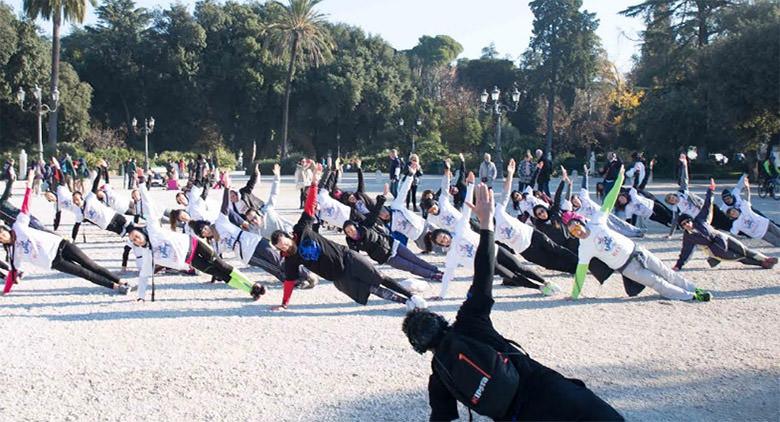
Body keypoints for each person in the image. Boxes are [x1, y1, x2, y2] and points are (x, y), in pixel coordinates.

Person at [401, 183, 623, 421]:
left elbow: (442, 418)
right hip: (546, 390)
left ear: (420, 347)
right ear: (439, 319)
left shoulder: (439, 376)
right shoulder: (469, 322)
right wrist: (486, 227)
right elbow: (484, 274)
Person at [269, 172, 427, 311]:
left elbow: (309, 208)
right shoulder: (290, 259)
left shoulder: (301, 229)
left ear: (289, 236)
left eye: (286, 242)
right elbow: (289, 281)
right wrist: (284, 304)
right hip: (338, 277)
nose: (285, 246)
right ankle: (405, 301)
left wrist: (315, 182)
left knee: (379, 277)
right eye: (281, 246)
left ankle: (411, 296)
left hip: (347, 258)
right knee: (371, 289)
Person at [567, 167, 712, 302]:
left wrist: (619, 180)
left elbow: (609, 202)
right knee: (656, 282)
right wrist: (574, 295)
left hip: (638, 251)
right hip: (627, 267)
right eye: (573, 231)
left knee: (667, 273)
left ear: (581, 223)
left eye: (576, 226)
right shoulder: (583, 248)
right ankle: (691, 296)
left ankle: (694, 288)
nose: (577, 231)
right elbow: (581, 272)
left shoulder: (596, 222)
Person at [125, 184, 266, 301]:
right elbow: (143, 276)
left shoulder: (153, 230)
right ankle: (249, 290)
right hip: (190, 260)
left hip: (194, 244)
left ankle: (253, 285)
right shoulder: (147, 254)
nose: (136, 240)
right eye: (133, 241)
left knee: (222, 266)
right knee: (221, 275)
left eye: (135, 236)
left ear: (141, 233)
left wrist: (142, 184)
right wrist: (141, 297)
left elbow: (148, 207)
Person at [1, 172, 132, 295]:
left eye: (2, 233)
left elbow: (25, 206)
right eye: (0, 238)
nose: (2, 237)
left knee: (91, 265)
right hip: (54, 261)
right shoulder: (13, 252)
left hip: (60, 245)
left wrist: (29, 185)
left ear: (5, 230)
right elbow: (13, 272)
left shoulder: (18, 226)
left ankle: (121, 281)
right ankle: (116, 287)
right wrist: (5, 291)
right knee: (84, 273)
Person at [189, 176, 318, 288]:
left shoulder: (220, 222)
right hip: (247, 253)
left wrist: (227, 188)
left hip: (254, 241)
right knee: (272, 267)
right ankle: (293, 281)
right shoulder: (214, 244)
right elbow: (217, 261)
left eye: (203, 228)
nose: (205, 231)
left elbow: (225, 206)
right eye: (202, 233)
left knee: (278, 259)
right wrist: (214, 278)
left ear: (206, 224)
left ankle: (306, 274)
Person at [673, 179, 777, 270]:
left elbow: (707, 206)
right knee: (739, 257)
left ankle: (766, 258)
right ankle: (762, 263)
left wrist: (710, 190)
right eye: (683, 224)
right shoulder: (688, 237)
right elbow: (685, 251)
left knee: (744, 249)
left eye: (687, 221)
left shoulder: (700, 220)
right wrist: (679, 265)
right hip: (715, 249)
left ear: (690, 220)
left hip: (722, 237)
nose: (686, 224)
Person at [343, 199, 443, 281]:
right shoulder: (352, 242)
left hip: (394, 244)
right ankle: (433, 275)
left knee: (415, 259)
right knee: (410, 267)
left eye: (351, 230)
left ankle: (436, 270)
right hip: (387, 257)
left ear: (355, 227)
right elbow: (355, 256)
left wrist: (381, 200)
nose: (351, 233)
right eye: (348, 232)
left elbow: (374, 215)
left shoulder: (365, 227)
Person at [726, 176, 780, 246]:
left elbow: (747, 197)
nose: (734, 213)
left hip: (766, 223)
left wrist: (747, 187)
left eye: (733, 211)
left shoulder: (744, 208)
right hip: (762, 234)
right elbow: (732, 235)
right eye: (732, 214)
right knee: (777, 242)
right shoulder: (736, 224)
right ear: (731, 217)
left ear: (736, 209)